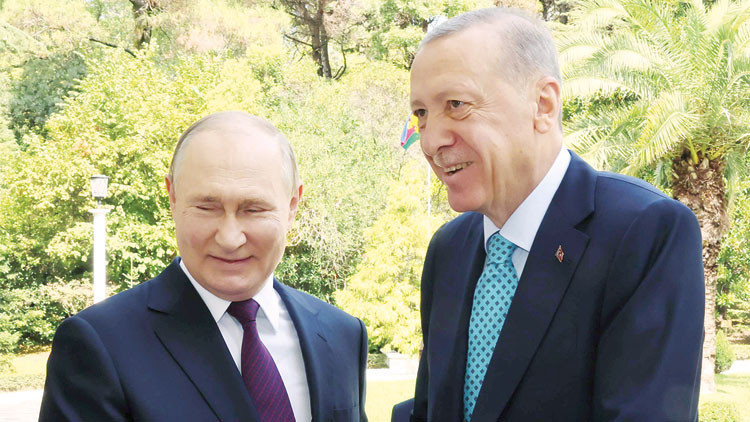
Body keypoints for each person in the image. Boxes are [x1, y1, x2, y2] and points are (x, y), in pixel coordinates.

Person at [395, 7, 705, 422]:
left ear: (543, 104)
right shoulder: (448, 250)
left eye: (456, 104)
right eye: (421, 113)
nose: (431, 140)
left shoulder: (645, 232)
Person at [40, 111, 367, 421]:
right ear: (173, 197)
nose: (230, 238)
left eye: (253, 209)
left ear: (292, 206)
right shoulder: (99, 346)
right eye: (207, 207)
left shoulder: (342, 335)